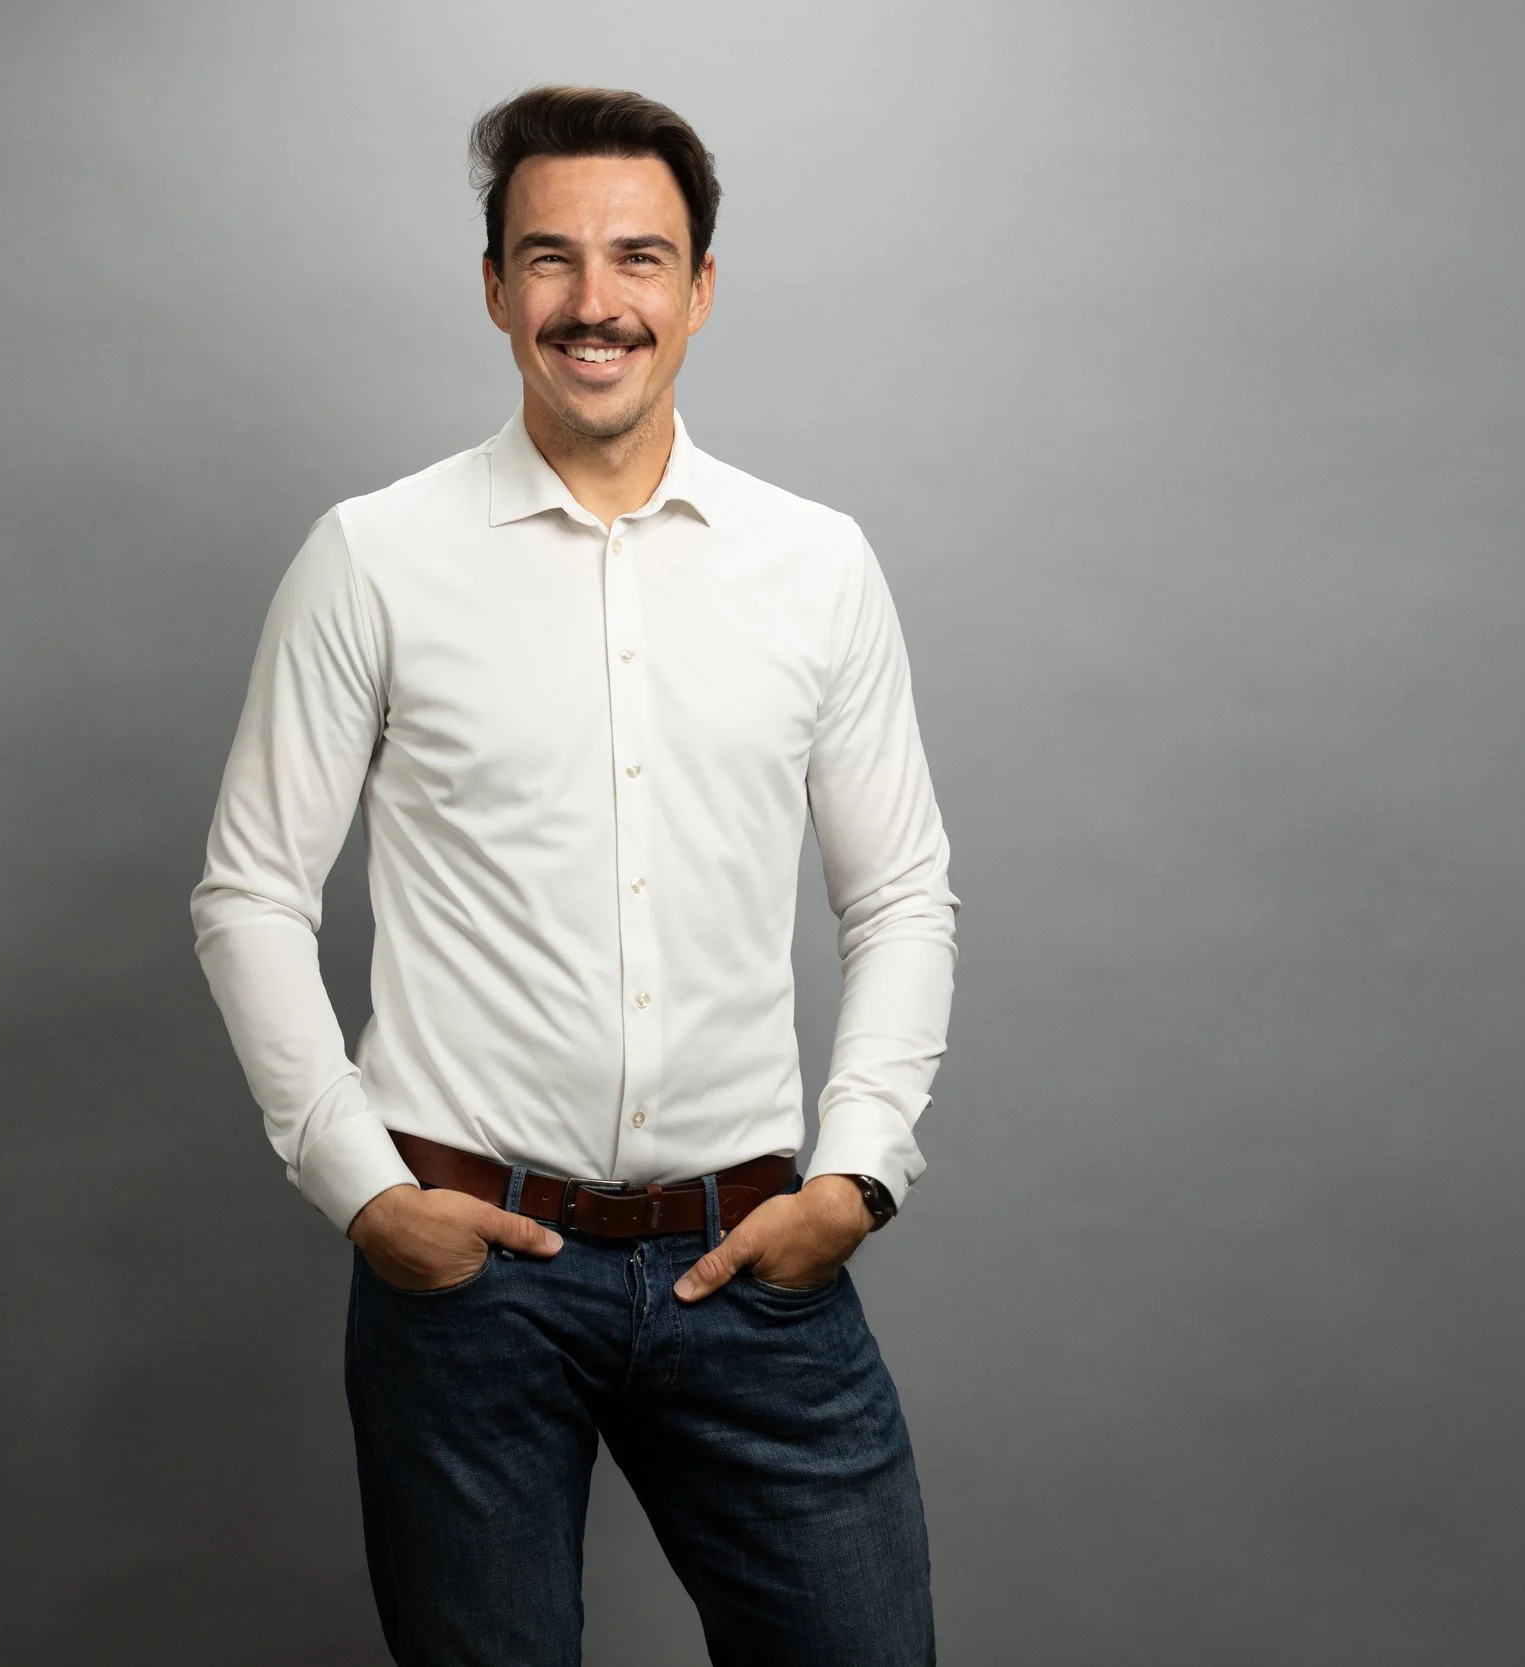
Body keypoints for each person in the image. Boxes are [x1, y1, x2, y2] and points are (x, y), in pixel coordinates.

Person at [189, 83, 960, 1667]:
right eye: (549, 258)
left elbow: (899, 897)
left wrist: (859, 1172)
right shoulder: (374, 557)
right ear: (492, 288)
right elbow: (251, 890)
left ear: (701, 288)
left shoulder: (815, 566)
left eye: (639, 259)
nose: (594, 302)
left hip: (755, 1263)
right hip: (467, 1277)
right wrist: (363, 1188)